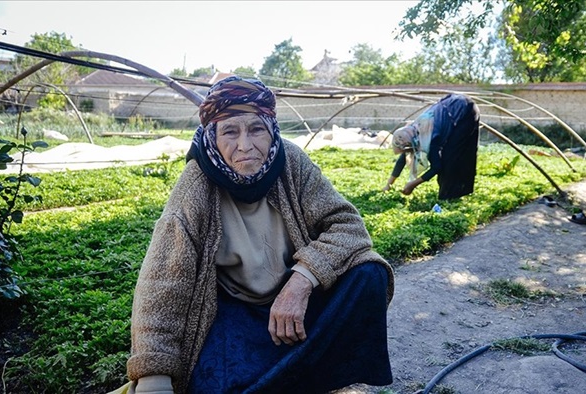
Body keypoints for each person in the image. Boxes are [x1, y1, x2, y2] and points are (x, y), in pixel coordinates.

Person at [125, 76, 395, 394]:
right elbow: (163, 280)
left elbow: (348, 226)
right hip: (237, 308)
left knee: (369, 274)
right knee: (212, 383)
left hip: (294, 300)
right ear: (212, 135)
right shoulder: (196, 183)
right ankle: (293, 373)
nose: (245, 145)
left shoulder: (291, 162)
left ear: (270, 129)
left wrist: (300, 281)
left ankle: (323, 376)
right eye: (230, 131)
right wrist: (154, 375)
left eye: (255, 129)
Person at [382, 94, 480, 200]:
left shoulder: (429, 138)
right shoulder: (414, 131)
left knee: (450, 159)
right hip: (455, 106)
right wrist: (388, 185)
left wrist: (413, 184)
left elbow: (436, 167)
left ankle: (451, 196)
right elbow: (403, 159)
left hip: (465, 112)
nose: (408, 151)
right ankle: (452, 194)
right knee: (450, 156)